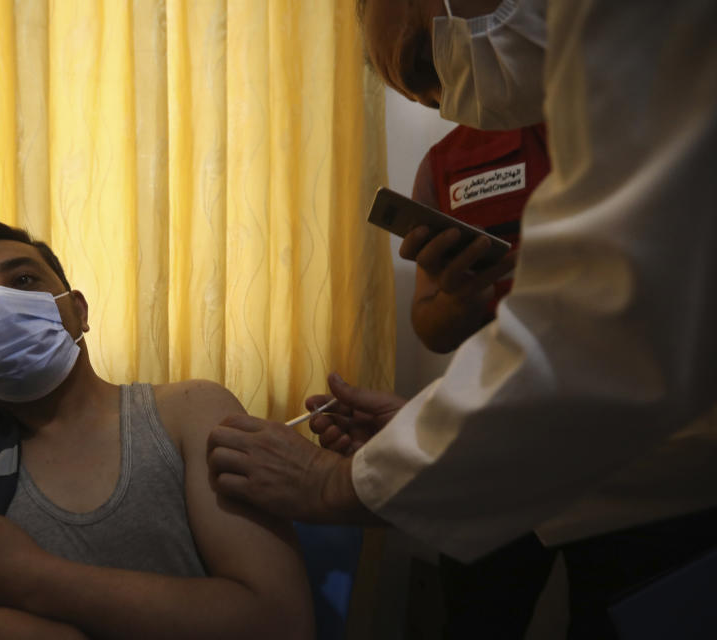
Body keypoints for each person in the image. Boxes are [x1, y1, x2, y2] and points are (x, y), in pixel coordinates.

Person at [206, 0, 717, 637]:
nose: (445, 100)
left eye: (427, 58)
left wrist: (331, 483)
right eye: (419, 90)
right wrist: (430, 428)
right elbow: (567, 344)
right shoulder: (454, 160)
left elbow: (609, 331)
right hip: (567, 438)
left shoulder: (635, 40)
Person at [0, 216, 314, 640]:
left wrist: (35, 580)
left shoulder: (191, 414)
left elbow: (281, 622)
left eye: (23, 280)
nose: (1, 307)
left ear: (77, 310)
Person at [408, 121, 557, 638]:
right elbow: (430, 326)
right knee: (478, 619)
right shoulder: (442, 163)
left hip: (628, 432)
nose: (428, 97)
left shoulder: (606, 114)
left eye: (424, 66)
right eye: (410, 87)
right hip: (500, 441)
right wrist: (459, 298)